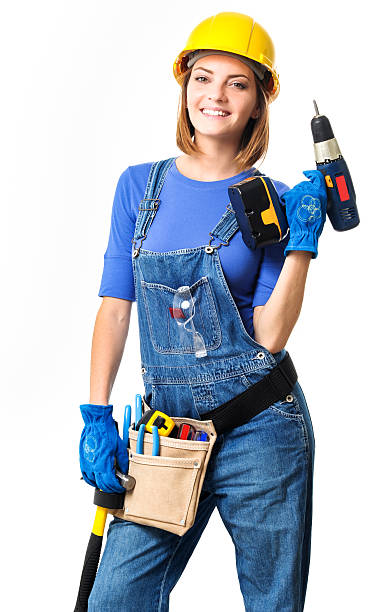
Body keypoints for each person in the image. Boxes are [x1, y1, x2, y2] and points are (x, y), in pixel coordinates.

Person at [79, 11, 327, 612]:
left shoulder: (272, 201)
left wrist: (301, 245)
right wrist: (95, 414)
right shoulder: (139, 186)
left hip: (261, 429)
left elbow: (268, 336)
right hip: (167, 434)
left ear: (257, 102)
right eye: (202, 77)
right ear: (184, 85)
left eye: (237, 83)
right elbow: (116, 308)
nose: (215, 95)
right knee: (116, 600)